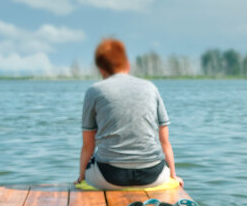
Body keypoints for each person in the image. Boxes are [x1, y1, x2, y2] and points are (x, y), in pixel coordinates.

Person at [77, 38, 181, 189]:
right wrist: (173, 175)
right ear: (127, 64)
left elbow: (88, 145)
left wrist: (82, 177)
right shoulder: (150, 87)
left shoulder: (94, 91)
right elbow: (165, 141)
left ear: (101, 69)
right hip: (153, 175)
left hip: (110, 177)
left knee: (93, 163)